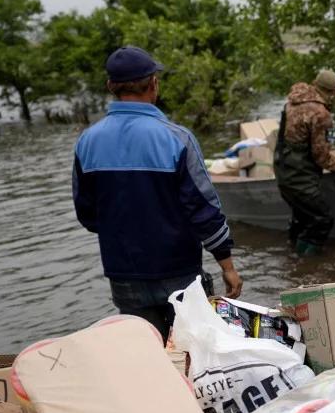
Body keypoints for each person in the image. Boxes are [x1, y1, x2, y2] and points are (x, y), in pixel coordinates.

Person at [72, 46, 242, 341]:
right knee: (193, 354)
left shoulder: (87, 141)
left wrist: (123, 231)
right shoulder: (176, 138)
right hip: (180, 271)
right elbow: (203, 210)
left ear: (111, 87)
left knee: (148, 356)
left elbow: (87, 213)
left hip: (123, 274)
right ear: (153, 84)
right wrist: (227, 265)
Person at [274, 69, 335, 256]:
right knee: (322, 219)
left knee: (301, 218)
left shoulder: (292, 102)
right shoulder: (320, 113)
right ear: (333, 92)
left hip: (282, 171)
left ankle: (292, 262)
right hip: (300, 176)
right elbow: (322, 158)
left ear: (314, 83)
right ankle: (306, 263)